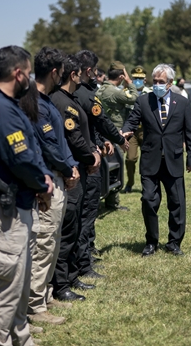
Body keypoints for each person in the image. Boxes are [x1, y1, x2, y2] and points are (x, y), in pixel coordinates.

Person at [0, 46, 53, 346]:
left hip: (14, 203)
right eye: (29, 73)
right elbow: (20, 159)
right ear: (18, 73)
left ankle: (20, 337)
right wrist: (43, 185)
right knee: (5, 288)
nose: (30, 79)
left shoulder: (5, 103)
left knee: (18, 282)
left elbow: (29, 150)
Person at [24, 47, 80, 324]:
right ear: (55, 72)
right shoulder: (32, 101)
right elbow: (47, 147)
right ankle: (34, 307)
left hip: (59, 177)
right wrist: (68, 168)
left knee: (52, 242)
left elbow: (60, 142)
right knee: (43, 243)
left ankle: (45, 296)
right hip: (46, 183)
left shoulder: (46, 100)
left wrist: (71, 167)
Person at [121, 64, 191, 257]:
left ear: (170, 84)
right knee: (148, 199)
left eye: (161, 82)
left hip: (173, 159)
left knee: (177, 202)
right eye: (154, 81)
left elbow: (190, 132)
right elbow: (132, 120)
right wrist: (125, 130)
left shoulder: (181, 103)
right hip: (150, 159)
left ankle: (174, 242)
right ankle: (151, 241)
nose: (157, 85)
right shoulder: (143, 101)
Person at [73, 50, 129, 282]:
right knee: (87, 211)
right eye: (95, 71)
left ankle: (85, 253)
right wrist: (119, 139)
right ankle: (84, 262)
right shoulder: (86, 93)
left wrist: (102, 140)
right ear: (89, 71)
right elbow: (101, 120)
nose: (97, 75)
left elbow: (91, 126)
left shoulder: (71, 93)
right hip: (88, 161)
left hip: (83, 154)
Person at [50, 55, 100, 301]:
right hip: (70, 172)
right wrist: (92, 158)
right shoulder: (61, 102)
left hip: (78, 168)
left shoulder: (68, 99)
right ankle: (60, 285)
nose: (82, 77)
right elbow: (74, 137)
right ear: (73, 75)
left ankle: (70, 275)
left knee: (75, 225)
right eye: (80, 74)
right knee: (67, 230)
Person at [96, 61, 139, 207]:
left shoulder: (101, 89)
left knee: (106, 166)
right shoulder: (114, 92)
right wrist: (129, 82)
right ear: (121, 76)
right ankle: (112, 201)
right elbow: (134, 98)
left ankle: (109, 199)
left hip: (101, 133)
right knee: (115, 168)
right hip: (114, 133)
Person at [123, 66, 152, 194]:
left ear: (145, 80)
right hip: (133, 131)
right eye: (135, 78)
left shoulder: (151, 92)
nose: (137, 81)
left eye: (140, 79)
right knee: (130, 159)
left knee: (148, 159)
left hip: (146, 130)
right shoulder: (126, 92)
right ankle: (130, 183)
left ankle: (147, 184)